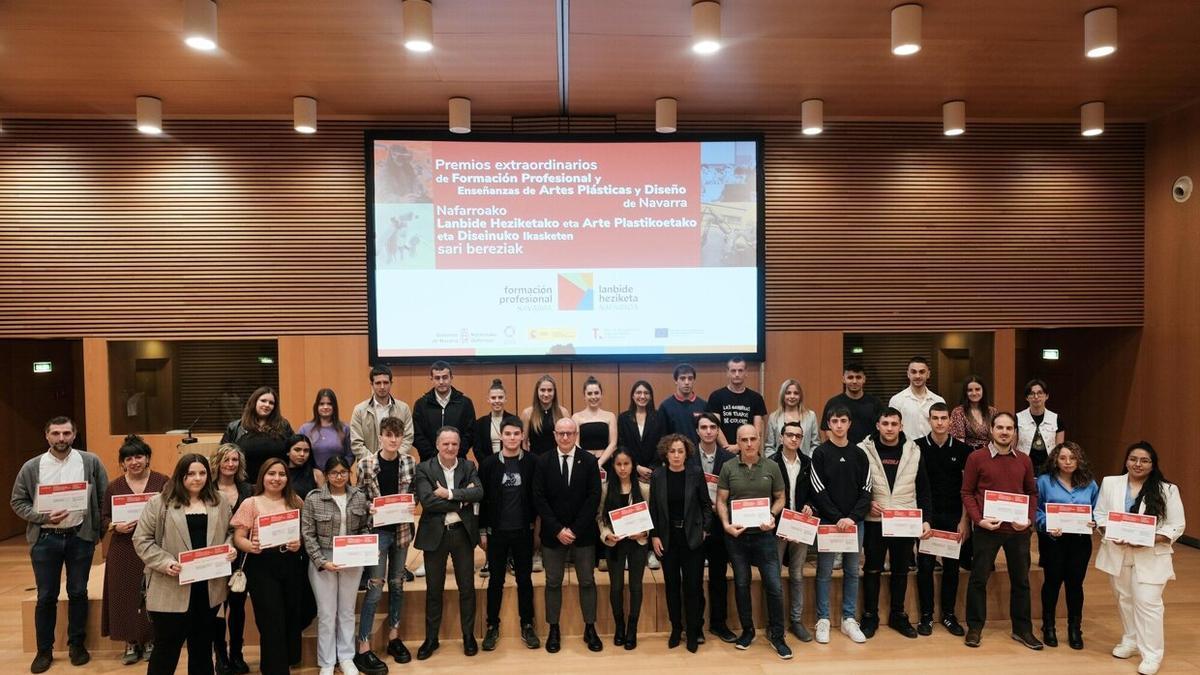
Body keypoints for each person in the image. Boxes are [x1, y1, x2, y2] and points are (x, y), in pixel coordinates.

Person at [11, 415, 109, 673]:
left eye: (66, 433)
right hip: (45, 539)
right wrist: (41, 516)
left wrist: (97, 532)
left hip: (80, 537)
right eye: (55, 433)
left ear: (74, 435)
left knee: (78, 592)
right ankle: (44, 650)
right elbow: (17, 501)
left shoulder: (90, 462)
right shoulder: (32, 467)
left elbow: (103, 497)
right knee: (46, 596)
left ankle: (77, 644)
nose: (61, 438)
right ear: (47, 436)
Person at [133, 453, 236, 675]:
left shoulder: (220, 500)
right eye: (190, 474)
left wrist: (230, 548)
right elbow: (141, 539)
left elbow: (230, 532)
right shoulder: (159, 502)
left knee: (201, 648)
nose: (197, 478)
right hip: (171, 586)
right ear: (180, 475)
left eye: (202, 473)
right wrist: (164, 562)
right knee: (167, 649)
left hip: (208, 587)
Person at [1095, 442, 1186, 675]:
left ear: (1153, 464)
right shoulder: (1110, 483)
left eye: (1144, 460)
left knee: (1148, 603)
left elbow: (1176, 525)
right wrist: (1109, 532)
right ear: (1126, 460)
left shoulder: (1167, 489)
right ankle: (1131, 639)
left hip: (1151, 555)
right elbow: (1101, 514)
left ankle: (1152, 654)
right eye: (1133, 459)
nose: (1138, 464)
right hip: (1118, 552)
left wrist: (1150, 538)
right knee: (1124, 598)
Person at [960, 412, 1041, 650]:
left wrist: (1027, 520)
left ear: (1015, 431)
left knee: (1021, 581)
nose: (1004, 432)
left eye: (1009, 428)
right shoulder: (976, 458)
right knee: (978, 580)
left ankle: (1023, 630)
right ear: (991, 430)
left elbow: (1032, 493)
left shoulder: (1024, 460)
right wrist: (978, 520)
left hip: (1017, 531)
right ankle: (975, 628)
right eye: (1000, 427)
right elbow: (967, 492)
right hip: (987, 529)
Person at [716, 424, 791, 660]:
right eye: (744, 439)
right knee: (741, 584)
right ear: (737, 442)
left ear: (759, 440)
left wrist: (772, 515)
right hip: (737, 539)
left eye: (752, 439)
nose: (749, 444)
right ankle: (748, 630)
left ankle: (777, 634)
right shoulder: (728, 467)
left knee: (774, 586)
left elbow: (781, 497)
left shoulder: (772, 466)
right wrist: (726, 524)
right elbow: (720, 500)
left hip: (764, 536)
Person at [859, 407, 932, 639]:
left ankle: (898, 615)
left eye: (894, 424)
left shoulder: (913, 450)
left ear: (901, 426)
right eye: (885, 423)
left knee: (901, 569)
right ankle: (870, 616)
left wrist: (926, 519)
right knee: (872, 568)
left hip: (904, 519)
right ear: (878, 425)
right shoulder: (863, 450)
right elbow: (855, 486)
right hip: (875, 519)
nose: (889, 428)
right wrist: (867, 503)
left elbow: (924, 489)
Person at [532, 417, 603, 653]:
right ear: (554, 435)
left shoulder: (590, 461)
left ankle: (590, 628)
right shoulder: (543, 462)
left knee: (587, 581)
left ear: (576, 435)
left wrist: (574, 529)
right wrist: (558, 529)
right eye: (561, 433)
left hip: (583, 534)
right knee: (553, 582)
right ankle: (553, 628)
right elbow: (539, 499)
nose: (565, 437)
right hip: (554, 535)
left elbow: (594, 498)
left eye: (569, 433)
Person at [231, 457, 307, 674]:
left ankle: (290, 659)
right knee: (270, 618)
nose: (276, 478)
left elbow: (304, 532)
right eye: (271, 474)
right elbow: (238, 537)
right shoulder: (251, 503)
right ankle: (275, 669)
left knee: (291, 614)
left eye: (281, 474)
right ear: (262, 476)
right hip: (261, 565)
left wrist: (298, 542)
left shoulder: (295, 501)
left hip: (291, 563)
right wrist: (249, 546)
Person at [413, 427, 484, 659]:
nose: (450, 448)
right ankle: (431, 639)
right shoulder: (424, 468)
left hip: (462, 534)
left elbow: (479, 493)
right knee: (434, 590)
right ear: (437, 445)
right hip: (435, 535)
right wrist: (462, 499)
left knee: (467, 589)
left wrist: (449, 493)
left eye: (454, 444)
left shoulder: (468, 466)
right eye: (446, 444)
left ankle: (468, 636)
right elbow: (428, 501)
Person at [353, 415, 416, 673]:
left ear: (402, 438)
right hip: (377, 533)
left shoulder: (410, 463)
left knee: (397, 585)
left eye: (397, 436)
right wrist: (374, 509)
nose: (393, 440)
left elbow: (414, 496)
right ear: (380, 437)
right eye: (388, 435)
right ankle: (363, 647)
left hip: (401, 532)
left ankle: (393, 637)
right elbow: (358, 499)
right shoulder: (366, 464)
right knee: (375, 589)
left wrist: (412, 505)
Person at [100, 434, 168, 666]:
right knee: (124, 593)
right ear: (123, 462)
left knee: (153, 593)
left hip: (154, 547)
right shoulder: (114, 486)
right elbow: (103, 518)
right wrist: (114, 526)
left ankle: (150, 639)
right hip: (123, 548)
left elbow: (172, 510)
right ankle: (130, 641)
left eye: (139, 456)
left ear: (148, 458)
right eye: (129, 458)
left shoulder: (162, 482)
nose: (134, 462)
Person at [301, 456, 371, 675]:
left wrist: (364, 548)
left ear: (349, 474)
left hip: (352, 558)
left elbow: (366, 527)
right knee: (326, 612)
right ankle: (327, 661)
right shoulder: (313, 498)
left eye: (343, 472)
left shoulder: (359, 496)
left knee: (347, 611)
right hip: (323, 558)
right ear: (326, 475)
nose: (339, 477)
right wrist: (322, 562)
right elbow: (307, 534)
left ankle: (347, 657)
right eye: (334, 473)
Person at [476, 416, 540, 651]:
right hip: (496, 532)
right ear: (501, 436)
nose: (512, 438)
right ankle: (492, 626)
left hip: (523, 531)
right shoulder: (489, 464)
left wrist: (537, 530)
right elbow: (481, 501)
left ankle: (527, 624)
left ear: (522, 436)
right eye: (508, 434)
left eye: (516, 434)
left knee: (525, 579)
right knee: (496, 580)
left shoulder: (533, 462)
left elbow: (538, 499)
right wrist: (482, 531)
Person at [809, 406, 870, 645]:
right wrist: (836, 518)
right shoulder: (820, 453)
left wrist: (851, 518)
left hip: (855, 523)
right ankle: (823, 619)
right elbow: (818, 490)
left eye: (843, 421)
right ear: (828, 424)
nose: (839, 425)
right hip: (829, 523)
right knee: (824, 572)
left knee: (852, 571)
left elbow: (866, 490)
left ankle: (848, 619)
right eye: (834, 421)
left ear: (849, 423)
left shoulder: (860, 454)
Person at [915, 403, 973, 637]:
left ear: (950, 421)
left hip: (953, 518)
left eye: (943, 418)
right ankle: (926, 616)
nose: (939, 422)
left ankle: (949, 615)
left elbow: (967, 490)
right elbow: (915, 487)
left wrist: (964, 521)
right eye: (935, 418)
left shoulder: (963, 450)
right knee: (925, 567)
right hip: (926, 518)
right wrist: (920, 519)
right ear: (929, 420)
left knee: (951, 568)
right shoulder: (917, 447)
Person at [650, 434, 712, 653]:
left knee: (693, 587)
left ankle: (694, 631)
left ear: (687, 453)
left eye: (680, 451)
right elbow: (654, 509)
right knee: (672, 587)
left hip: (692, 538)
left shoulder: (695, 473)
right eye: (672, 451)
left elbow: (706, 505)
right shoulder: (658, 475)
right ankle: (677, 628)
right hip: (667, 539)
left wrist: (705, 529)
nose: (676, 455)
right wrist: (654, 535)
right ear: (666, 454)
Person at [1035, 442, 1099, 649]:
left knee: (1075, 584)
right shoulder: (1044, 481)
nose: (1068, 462)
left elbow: (1098, 511)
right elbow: (1035, 511)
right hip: (1053, 541)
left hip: (1080, 542)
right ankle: (1049, 626)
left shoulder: (1090, 483)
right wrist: (1047, 524)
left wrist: (1094, 521)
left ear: (1079, 460)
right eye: (1063, 458)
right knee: (1052, 583)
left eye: (1072, 458)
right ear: (1055, 459)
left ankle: (1074, 628)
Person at [597, 448, 650, 649]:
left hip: (637, 543)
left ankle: (632, 628)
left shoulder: (644, 489)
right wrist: (606, 534)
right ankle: (619, 626)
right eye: (618, 464)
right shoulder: (605, 488)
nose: (622, 468)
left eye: (626, 464)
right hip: (615, 542)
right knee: (616, 586)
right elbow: (599, 517)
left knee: (636, 586)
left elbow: (652, 517)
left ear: (633, 465)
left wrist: (644, 533)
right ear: (613, 466)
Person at [211, 443, 253, 675]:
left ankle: (237, 653)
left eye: (235, 460)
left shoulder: (247, 489)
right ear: (217, 462)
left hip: (241, 559)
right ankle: (221, 655)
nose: (230, 464)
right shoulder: (207, 488)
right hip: (215, 557)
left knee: (237, 609)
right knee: (218, 607)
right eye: (226, 459)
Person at [773, 421, 815, 643]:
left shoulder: (809, 463)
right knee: (775, 576)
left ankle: (796, 621)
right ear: (781, 438)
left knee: (797, 575)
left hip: (800, 526)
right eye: (789, 435)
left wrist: (811, 505)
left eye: (798, 436)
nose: (793, 439)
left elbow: (815, 492)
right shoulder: (770, 463)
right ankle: (776, 622)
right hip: (777, 528)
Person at [221, 386, 294, 484]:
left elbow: (293, 452)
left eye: (271, 403)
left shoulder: (283, 426)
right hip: (244, 485)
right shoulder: (235, 427)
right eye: (263, 401)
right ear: (254, 402)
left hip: (276, 484)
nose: (267, 405)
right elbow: (222, 457)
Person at [412, 360, 476, 461]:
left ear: (451, 378)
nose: (441, 382)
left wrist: (456, 453)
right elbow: (417, 434)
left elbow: (470, 433)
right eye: (437, 378)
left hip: (458, 460)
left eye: (445, 377)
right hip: (428, 461)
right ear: (431, 379)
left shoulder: (465, 403)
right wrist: (433, 456)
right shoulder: (421, 404)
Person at [350, 364, 415, 463]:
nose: (382, 387)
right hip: (368, 466)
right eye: (378, 383)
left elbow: (408, 438)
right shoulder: (359, 410)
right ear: (372, 384)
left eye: (385, 382)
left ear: (391, 383)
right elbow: (356, 443)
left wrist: (393, 458)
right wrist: (376, 460)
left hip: (397, 464)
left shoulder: (403, 408)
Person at [706, 357, 768, 448]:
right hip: (723, 451)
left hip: (748, 449)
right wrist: (727, 447)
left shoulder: (756, 398)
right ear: (727, 372)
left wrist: (739, 447)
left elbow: (757, 431)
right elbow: (715, 426)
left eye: (740, 370)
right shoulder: (716, 396)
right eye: (733, 371)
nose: (737, 374)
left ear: (746, 372)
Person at [820, 363, 883, 445]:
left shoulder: (875, 403)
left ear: (864, 379)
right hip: (842, 451)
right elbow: (827, 430)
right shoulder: (833, 403)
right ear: (843, 379)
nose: (854, 381)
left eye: (858, 377)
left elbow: (882, 427)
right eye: (850, 377)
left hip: (869, 450)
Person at [617, 380, 664, 481]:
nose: (642, 396)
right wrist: (636, 466)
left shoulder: (659, 417)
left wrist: (651, 469)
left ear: (650, 396)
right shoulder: (623, 418)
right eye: (638, 393)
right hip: (630, 471)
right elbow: (622, 445)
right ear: (633, 396)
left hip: (654, 472)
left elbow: (662, 444)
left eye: (646, 393)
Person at [888, 356, 945, 439]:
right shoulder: (896, 400)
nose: (917, 376)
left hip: (931, 449)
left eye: (922, 372)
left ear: (928, 374)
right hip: (906, 449)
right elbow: (892, 429)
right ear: (908, 374)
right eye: (913, 372)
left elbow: (943, 429)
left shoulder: (938, 400)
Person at [299, 388, 354, 473]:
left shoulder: (345, 428)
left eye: (329, 404)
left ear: (334, 406)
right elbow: (299, 454)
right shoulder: (305, 429)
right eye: (321, 404)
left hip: (338, 478)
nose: (325, 407)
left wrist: (340, 471)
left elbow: (350, 455)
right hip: (312, 478)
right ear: (316, 406)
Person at [1016, 379, 1065, 472]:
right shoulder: (1018, 418)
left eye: (1040, 393)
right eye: (1032, 393)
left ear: (1046, 396)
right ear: (1027, 397)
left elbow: (1060, 448)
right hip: (1023, 467)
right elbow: (1012, 446)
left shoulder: (1056, 419)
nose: (1036, 396)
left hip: (1049, 469)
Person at [765, 379, 819, 458]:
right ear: (783, 395)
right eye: (788, 393)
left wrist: (808, 461)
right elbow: (769, 447)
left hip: (805, 466)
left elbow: (815, 444)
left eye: (796, 393)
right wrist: (776, 463)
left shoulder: (811, 416)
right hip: (779, 467)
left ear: (800, 396)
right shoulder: (774, 417)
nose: (792, 396)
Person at [574, 376, 619, 466]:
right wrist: (589, 462)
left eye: (596, 393)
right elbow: (575, 444)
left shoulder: (610, 416)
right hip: (584, 463)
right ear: (584, 396)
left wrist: (599, 463)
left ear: (601, 395)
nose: (593, 396)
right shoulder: (576, 417)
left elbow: (613, 444)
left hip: (606, 462)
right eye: (589, 393)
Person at [522, 374, 570, 457]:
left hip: (558, 460)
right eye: (542, 390)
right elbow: (524, 442)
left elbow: (569, 439)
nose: (546, 394)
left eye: (550, 390)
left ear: (554, 392)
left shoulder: (563, 412)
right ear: (537, 391)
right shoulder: (527, 413)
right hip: (535, 461)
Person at [658, 363, 707, 443]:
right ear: (676, 381)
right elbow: (663, 438)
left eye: (690, 378)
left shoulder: (704, 405)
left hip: (698, 454)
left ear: (694, 380)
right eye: (682, 378)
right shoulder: (665, 406)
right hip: (676, 454)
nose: (687, 382)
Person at [471, 378, 514, 465]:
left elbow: (517, 445)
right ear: (488, 400)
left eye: (500, 397)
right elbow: (477, 449)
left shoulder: (514, 421)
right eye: (493, 398)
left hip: (509, 465)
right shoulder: (480, 423)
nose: (497, 401)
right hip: (487, 467)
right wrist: (489, 465)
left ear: (505, 399)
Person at [948, 375, 995, 450]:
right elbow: (959, 442)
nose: (974, 393)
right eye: (970, 390)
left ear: (983, 390)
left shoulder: (992, 411)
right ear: (965, 393)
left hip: (991, 454)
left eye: (977, 389)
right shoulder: (958, 412)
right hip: (969, 454)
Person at [285, 433, 325, 499]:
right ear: (288, 452)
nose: (302, 454)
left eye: (306, 451)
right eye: (297, 450)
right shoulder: (281, 473)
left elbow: (324, 501)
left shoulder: (317, 474)